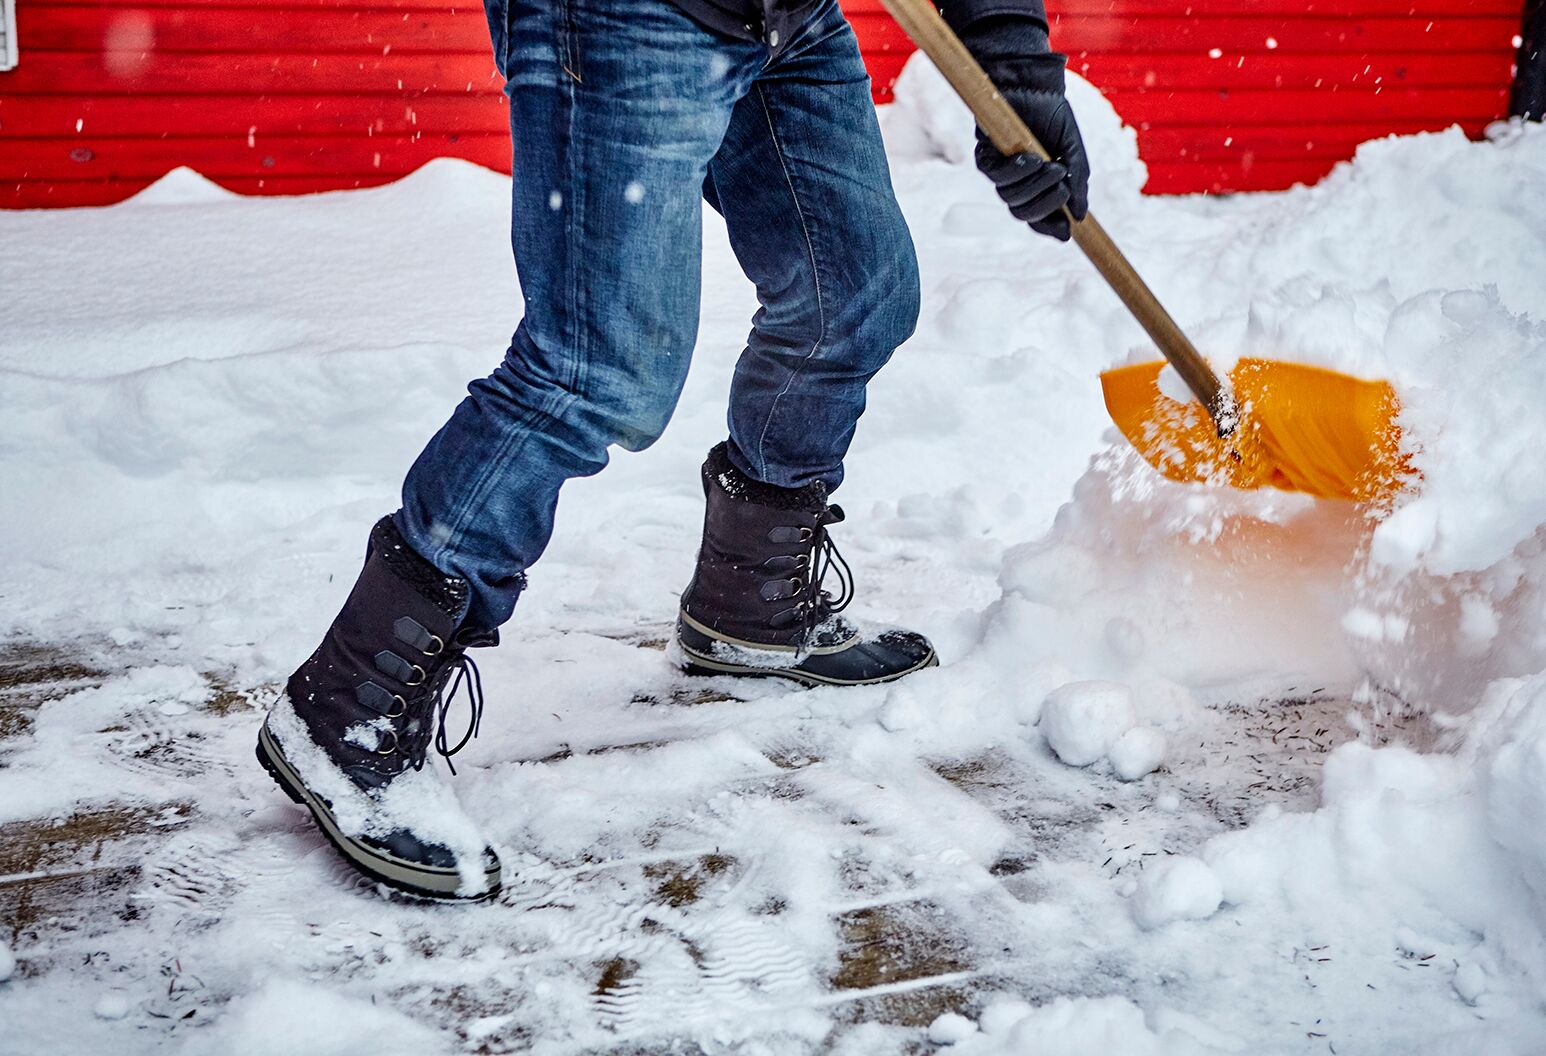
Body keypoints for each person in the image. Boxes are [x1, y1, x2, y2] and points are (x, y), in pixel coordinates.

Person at [255, 0, 1090, 900]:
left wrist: (1016, 77)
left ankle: (750, 602)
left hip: (787, 14)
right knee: (596, 369)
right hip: (627, 17)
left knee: (852, 293)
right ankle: (349, 706)